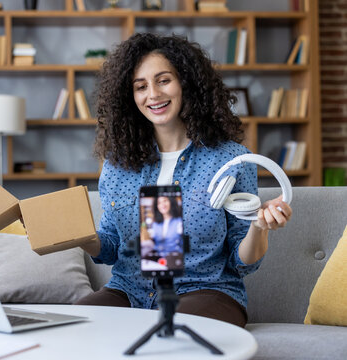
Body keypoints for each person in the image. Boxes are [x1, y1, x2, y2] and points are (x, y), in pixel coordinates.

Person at [75, 33, 292, 328]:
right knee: (70, 323)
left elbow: (244, 262)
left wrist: (258, 227)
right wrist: (77, 235)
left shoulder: (231, 160)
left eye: (163, 80)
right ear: (130, 96)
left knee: (169, 329)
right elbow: (112, 247)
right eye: (141, 86)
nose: (152, 94)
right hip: (130, 291)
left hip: (204, 291)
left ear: (186, 83)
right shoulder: (118, 163)